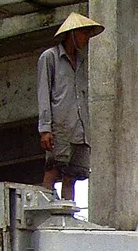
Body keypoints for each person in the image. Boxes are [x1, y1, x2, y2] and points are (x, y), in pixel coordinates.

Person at [37, 12, 104, 201]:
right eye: (83, 34)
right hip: (60, 126)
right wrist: (45, 128)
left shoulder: (82, 62)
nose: (86, 39)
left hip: (79, 127)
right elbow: (44, 94)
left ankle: (68, 215)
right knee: (53, 169)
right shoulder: (49, 58)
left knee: (71, 175)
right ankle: (45, 211)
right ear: (71, 34)